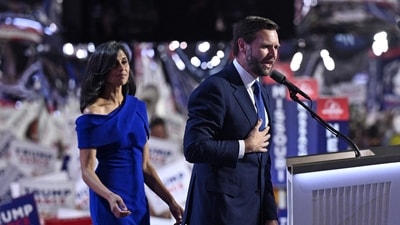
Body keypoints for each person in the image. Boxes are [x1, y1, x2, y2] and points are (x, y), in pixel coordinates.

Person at [181, 16, 280, 225]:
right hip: (220, 214)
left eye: (276, 47)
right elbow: (194, 148)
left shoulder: (261, 92)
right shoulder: (215, 88)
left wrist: (270, 214)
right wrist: (244, 146)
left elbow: (263, 161)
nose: (273, 55)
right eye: (265, 47)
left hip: (253, 214)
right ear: (243, 46)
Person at [75, 41, 183, 225]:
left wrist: (170, 201)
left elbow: (146, 166)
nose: (122, 68)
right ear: (103, 70)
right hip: (110, 199)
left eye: (124, 62)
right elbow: (87, 170)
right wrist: (109, 196)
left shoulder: (138, 108)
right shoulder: (92, 114)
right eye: (114, 64)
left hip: (138, 199)